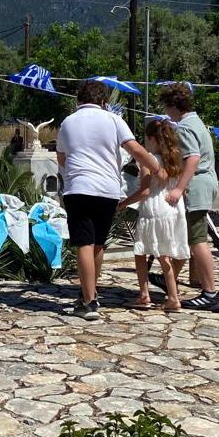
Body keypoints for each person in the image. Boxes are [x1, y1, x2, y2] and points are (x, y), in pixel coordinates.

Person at [56, 81, 161, 321]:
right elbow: (134, 148)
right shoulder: (113, 120)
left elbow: (61, 157)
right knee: (98, 244)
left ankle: (88, 300)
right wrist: (156, 167)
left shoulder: (68, 122)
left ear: (78, 100)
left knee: (83, 242)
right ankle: (91, 292)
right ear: (105, 102)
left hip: (79, 187)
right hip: (107, 189)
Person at [156, 82, 219, 313]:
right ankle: (169, 278)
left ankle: (210, 293)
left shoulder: (184, 127)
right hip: (206, 181)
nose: (164, 110)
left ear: (173, 105)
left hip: (197, 185)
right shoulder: (196, 121)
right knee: (185, 236)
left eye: (165, 105)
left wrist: (178, 189)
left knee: (197, 240)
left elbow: (192, 158)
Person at [118, 118, 189, 313]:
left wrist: (123, 203)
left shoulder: (148, 160)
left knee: (142, 253)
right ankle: (172, 295)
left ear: (150, 138)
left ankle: (146, 294)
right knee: (165, 253)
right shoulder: (174, 158)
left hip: (154, 208)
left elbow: (145, 191)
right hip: (174, 208)